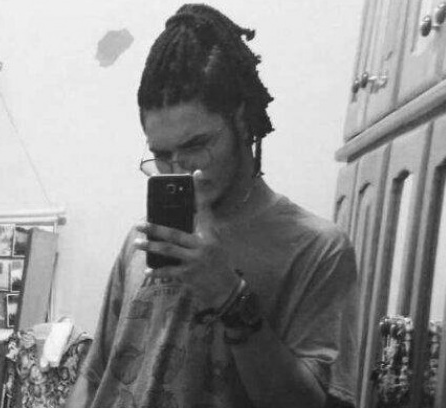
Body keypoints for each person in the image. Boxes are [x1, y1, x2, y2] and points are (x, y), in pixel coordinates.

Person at [67, 4, 359, 408]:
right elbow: (97, 373)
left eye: (196, 145)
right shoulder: (142, 240)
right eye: (162, 155)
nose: (179, 169)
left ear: (241, 120)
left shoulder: (317, 249)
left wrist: (228, 295)